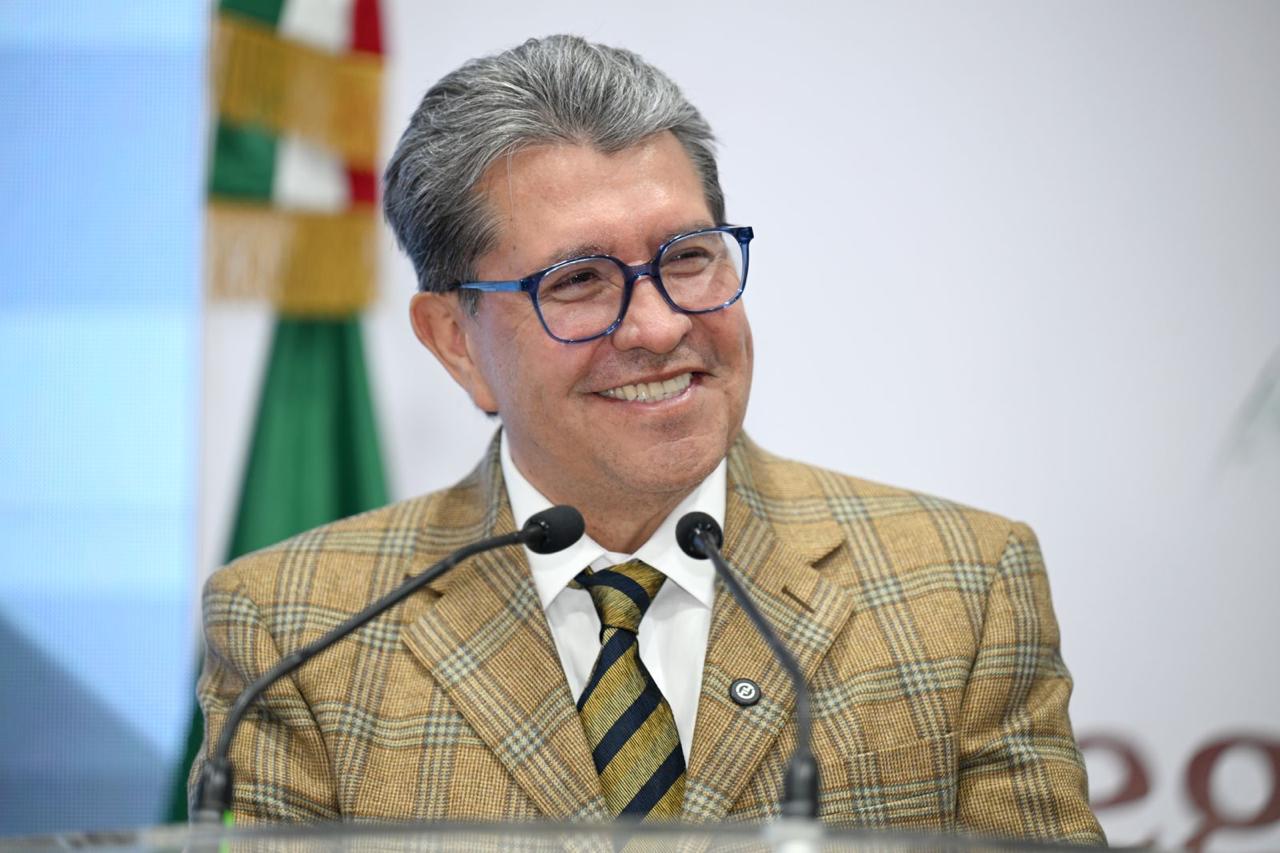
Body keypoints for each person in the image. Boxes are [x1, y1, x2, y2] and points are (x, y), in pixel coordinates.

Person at [192, 34, 1104, 843]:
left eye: (689, 257)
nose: (661, 325)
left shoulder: (963, 585)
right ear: (456, 342)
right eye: (579, 280)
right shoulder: (297, 630)